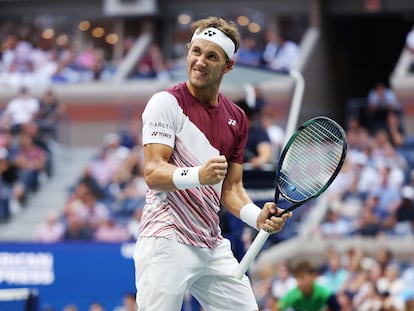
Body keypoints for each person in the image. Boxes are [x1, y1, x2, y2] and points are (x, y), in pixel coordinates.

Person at [133, 16, 291, 311]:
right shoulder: (166, 103)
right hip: (166, 239)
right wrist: (198, 175)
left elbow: (230, 190)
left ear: (228, 66)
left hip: (211, 243)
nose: (200, 61)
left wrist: (258, 217)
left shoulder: (238, 118)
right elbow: (154, 172)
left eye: (211, 56)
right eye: (196, 52)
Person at [275, 260, 341, 311]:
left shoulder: (325, 294)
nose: (299, 282)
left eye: (302, 277)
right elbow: (277, 308)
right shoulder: (294, 295)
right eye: (297, 279)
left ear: (313, 276)